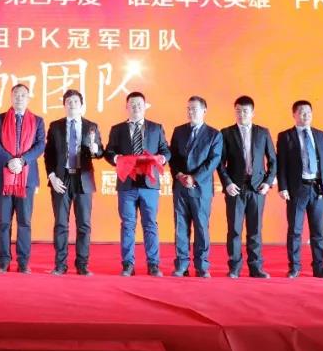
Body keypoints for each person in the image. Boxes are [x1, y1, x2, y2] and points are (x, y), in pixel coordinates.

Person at [105, 91, 171, 277]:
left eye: (139, 104)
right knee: (128, 224)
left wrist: (162, 158)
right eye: (132, 105)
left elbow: (166, 150)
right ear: (127, 107)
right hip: (127, 184)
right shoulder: (117, 129)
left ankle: (153, 264)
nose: (136, 108)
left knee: (150, 224)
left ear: (145, 106)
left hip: (149, 184)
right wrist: (117, 159)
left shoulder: (156, 128)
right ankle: (128, 264)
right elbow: (109, 152)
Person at [43, 89, 104, 276]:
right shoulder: (55, 126)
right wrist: (52, 177)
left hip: (83, 179)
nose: (72, 105)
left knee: (84, 224)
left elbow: (100, 152)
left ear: (81, 105)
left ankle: (82, 264)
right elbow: (49, 154)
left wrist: (95, 149)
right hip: (61, 179)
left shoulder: (91, 126)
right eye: (68, 102)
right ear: (64, 105)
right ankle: (60, 265)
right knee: (61, 224)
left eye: (75, 101)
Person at [277, 100, 323, 279]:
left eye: (309, 112)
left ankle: (320, 267)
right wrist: (283, 187)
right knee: (295, 230)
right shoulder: (286, 136)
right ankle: (294, 267)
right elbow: (281, 165)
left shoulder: (320, 135)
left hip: (317, 188)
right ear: (294, 114)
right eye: (302, 112)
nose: (306, 115)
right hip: (297, 189)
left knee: (318, 232)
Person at [0, 84, 45, 273]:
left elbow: (40, 146)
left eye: (23, 95)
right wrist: (9, 160)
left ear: (28, 98)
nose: (19, 98)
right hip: (4, 174)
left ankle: (23, 261)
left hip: (27, 177)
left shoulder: (37, 121)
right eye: (16, 95)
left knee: (24, 221)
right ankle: (3, 260)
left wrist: (22, 161)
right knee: (4, 221)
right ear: (11, 97)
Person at [217, 95, 276, 279]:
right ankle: (234, 268)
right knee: (234, 229)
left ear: (252, 113)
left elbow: (273, 161)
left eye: (245, 111)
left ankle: (256, 267)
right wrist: (227, 183)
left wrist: (268, 182)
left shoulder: (263, 132)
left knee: (255, 230)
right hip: (235, 188)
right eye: (238, 111)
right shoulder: (226, 133)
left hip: (257, 189)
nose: (241, 114)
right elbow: (220, 163)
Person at [168, 96, 222, 278]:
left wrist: (195, 178)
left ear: (204, 111)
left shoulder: (214, 134)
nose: (191, 112)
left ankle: (202, 265)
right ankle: (181, 264)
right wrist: (179, 175)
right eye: (188, 108)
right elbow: (172, 157)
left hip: (201, 188)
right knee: (180, 227)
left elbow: (213, 161)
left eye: (194, 109)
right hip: (180, 186)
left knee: (201, 228)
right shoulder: (179, 131)